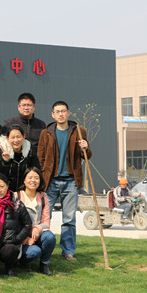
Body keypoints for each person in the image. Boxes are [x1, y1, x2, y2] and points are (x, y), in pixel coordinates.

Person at [37, 100, 91, 261]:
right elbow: (40, 157)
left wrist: (85, 147)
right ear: (53, 115)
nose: (61, 114)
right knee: (44, 217)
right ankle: (41, 248)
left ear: (68, 113)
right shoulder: (46, 133)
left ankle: (68, 251)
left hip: (71, 181)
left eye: (63, 111)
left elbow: (86, 156)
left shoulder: (78, 131)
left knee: (69, 219)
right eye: (57, 111)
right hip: (50, 181)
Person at [0, 173, 32, 277]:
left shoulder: (17, 204)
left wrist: (17, 239)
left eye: (1, 186)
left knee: (11, 251)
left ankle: (9, 267)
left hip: (10, 243)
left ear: (7, 186)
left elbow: (27, 224)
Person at [19, 167, 55, 276]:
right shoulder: (17, 196)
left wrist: (37, 228)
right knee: (34, 252)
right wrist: (25, 239)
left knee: (50, 237)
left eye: (36, 178)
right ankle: (22, 262)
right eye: (30, 177)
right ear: (24, 180)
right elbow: (13, 223)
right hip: (21, 237)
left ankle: (44, 263)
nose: (33, 180)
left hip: (37, 234)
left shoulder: (43, 197)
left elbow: (46, 222)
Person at [0, 125, 40, 192]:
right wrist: (6, 162)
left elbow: (36, 169)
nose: (16, 140)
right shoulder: (0, 149)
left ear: (24, 136)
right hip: (5, 191)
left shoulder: (30, 149)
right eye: (12, 137)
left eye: (18, 137)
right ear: (7, 138)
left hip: (24, 190)